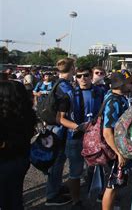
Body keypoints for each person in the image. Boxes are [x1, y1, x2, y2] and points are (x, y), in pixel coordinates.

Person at [57, 66, 103, 208]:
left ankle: (95, 194)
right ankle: (76, 200)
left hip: (94, 136)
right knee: (75, 171)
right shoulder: (69, 94)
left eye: (86, 75)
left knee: (96, 167)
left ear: (91, 76)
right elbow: (60, 118)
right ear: (75, 77)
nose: (83, 78)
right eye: (79, 76)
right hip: (75, 137)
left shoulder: (100, 92)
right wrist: (78, 127)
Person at [0, 80, 37, 210]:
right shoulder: (27, 113)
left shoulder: (3, 117)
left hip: (5, 161)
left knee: (5, 199)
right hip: (22, 158)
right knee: (15, 196)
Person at [45, 58, 76, 207]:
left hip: (55, 126)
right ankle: (52, 195)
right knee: (57, 161)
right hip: (60, 127)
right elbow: (64, 114)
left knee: (58, 159)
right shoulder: (66, 88)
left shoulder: (58, 83)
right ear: (72, 69)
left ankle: (55, 187)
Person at [102, 72, 132, 210]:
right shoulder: (114, 101)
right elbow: (107, 132)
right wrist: (118, 153)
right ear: (121, 84)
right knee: (111, 185)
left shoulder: (116, 96)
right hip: (113, 149)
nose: (131, 84)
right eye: (128, 82)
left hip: (117, 146)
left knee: (115, 183)